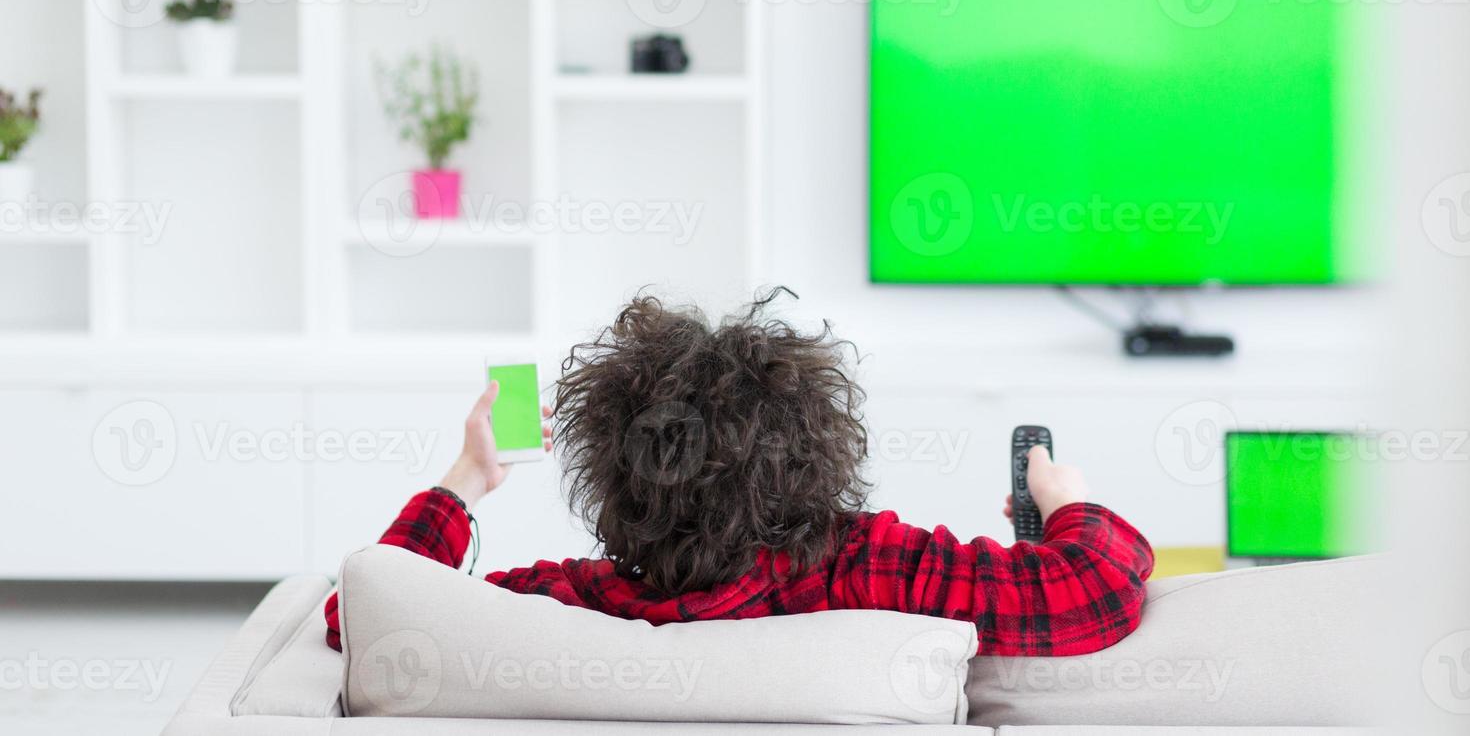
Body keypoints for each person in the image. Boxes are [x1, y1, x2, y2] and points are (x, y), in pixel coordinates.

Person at [324, 291, 1153, 655]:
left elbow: (359, 614)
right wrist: (1066, 504)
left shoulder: (575, 604)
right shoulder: (869, 568)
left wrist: (466, 479)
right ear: (815, 450)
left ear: (617, 476)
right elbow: (1096, 588)